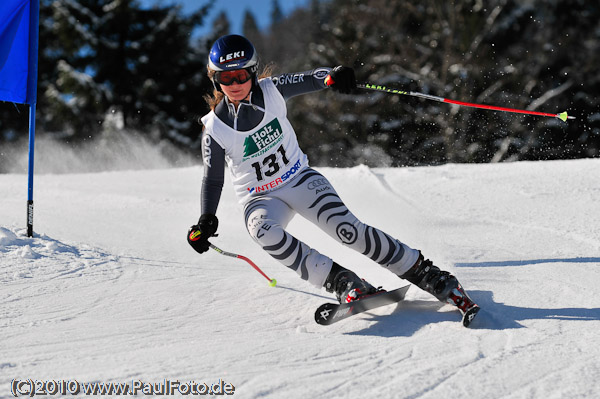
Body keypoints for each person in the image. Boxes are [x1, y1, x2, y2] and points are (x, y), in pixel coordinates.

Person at [188, 34, 477, 320]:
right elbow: (213, 179)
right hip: (259, 198)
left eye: (240, 76)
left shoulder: (271, 91)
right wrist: (206, 218)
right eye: (226, 79)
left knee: (347, 231)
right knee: (261, 230)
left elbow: (311, 78)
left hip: (298, 178)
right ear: (216, 81)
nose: (235, 85)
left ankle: (427, 273)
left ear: (252, 72)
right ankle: (344, 282)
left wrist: (333, 76)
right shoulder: (214, 128)